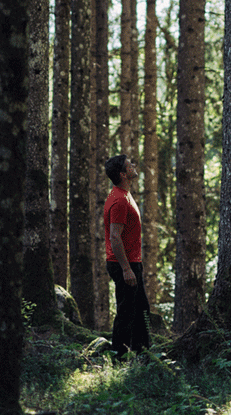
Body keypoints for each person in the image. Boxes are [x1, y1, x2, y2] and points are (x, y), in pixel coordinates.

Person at [103, 154, 151, 360]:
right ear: (123, 174)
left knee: (141, 310)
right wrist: (126, 269)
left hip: (131, 262)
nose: (133, 165)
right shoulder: (119, 200)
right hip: (123, 264)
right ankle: (118, 357)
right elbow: (115, 237)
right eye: (129, 165)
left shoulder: (122, 194)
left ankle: (143, 354)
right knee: (126, 312)